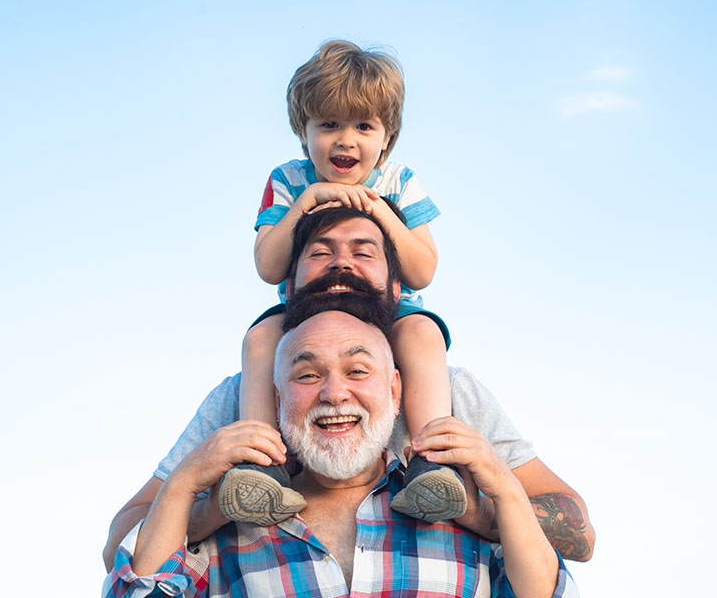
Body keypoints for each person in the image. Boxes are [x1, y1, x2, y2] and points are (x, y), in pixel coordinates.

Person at [103, 207, 595, 571]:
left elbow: (580, 536)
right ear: (289, 288)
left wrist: (476, 508)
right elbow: (119, 549)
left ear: (397, 289)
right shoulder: (237, 400)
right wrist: (210, 504)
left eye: (364, 252)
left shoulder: (450, 391)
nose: (341, 265)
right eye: (320, 253)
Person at [102, 310, 579, 597]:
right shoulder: (228, 532)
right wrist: (186, 480)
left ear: (396, 390)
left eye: (357, 371)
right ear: (276, 399)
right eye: (307, 376)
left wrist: (505, 489)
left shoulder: (459, 510)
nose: (334, 393)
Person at [230, 39, 461, 525]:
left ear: (387, 137)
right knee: (259, 339)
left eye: (363, 126)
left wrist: (380, 211)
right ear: (304, 131)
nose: (345, 140)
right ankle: (260, 466)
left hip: (385, 309)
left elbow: (422, 270)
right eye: (329, 124)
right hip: (308, 312)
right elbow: (269, 266)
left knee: (423, 334)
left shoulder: (398, 181)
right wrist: (306, 202)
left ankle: (432, 464)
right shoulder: (288, 180)